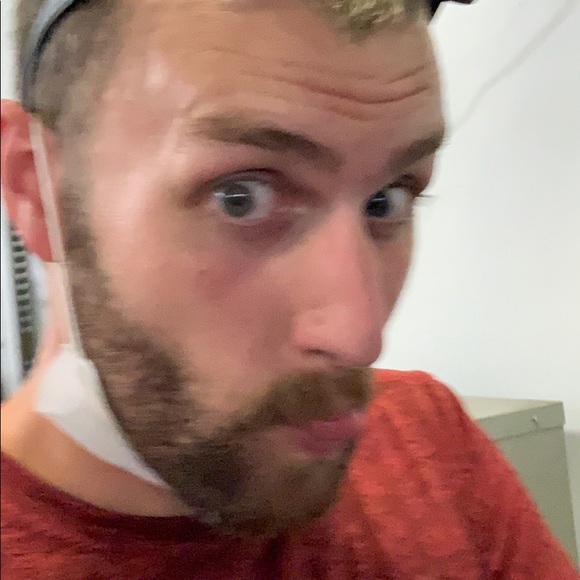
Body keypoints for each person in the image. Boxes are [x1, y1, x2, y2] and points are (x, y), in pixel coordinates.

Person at [0, 0, 577, 578]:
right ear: (33, 188)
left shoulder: (432, 447)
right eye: (241, 197)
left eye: (387, 200)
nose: (360, 338)